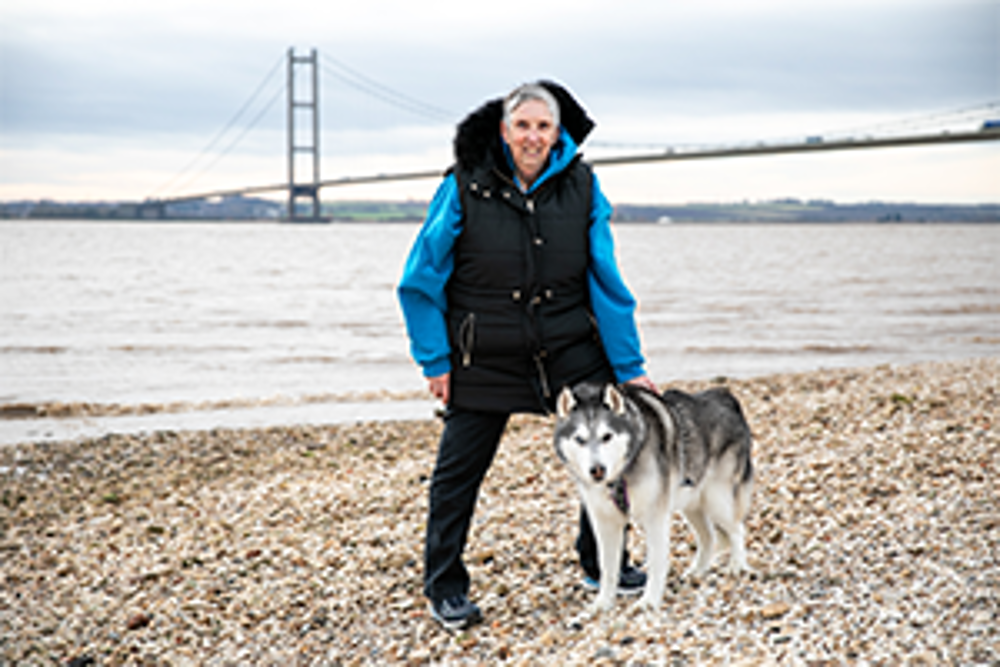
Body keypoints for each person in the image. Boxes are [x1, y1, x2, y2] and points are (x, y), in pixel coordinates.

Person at [397, 80, 656, 631]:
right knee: (456, 473)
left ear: (558, 132)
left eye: (544, 126)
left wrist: (630, 368)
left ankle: (601, 564)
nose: (533, 136)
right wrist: (434, 360)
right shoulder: (464, 184)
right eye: (523, 125)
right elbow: (420, 278)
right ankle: (445, 587)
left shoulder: (583, 185)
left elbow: (604, 278)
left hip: (568, 345)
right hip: (483, 350)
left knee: (611, 454)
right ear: (504, 130)